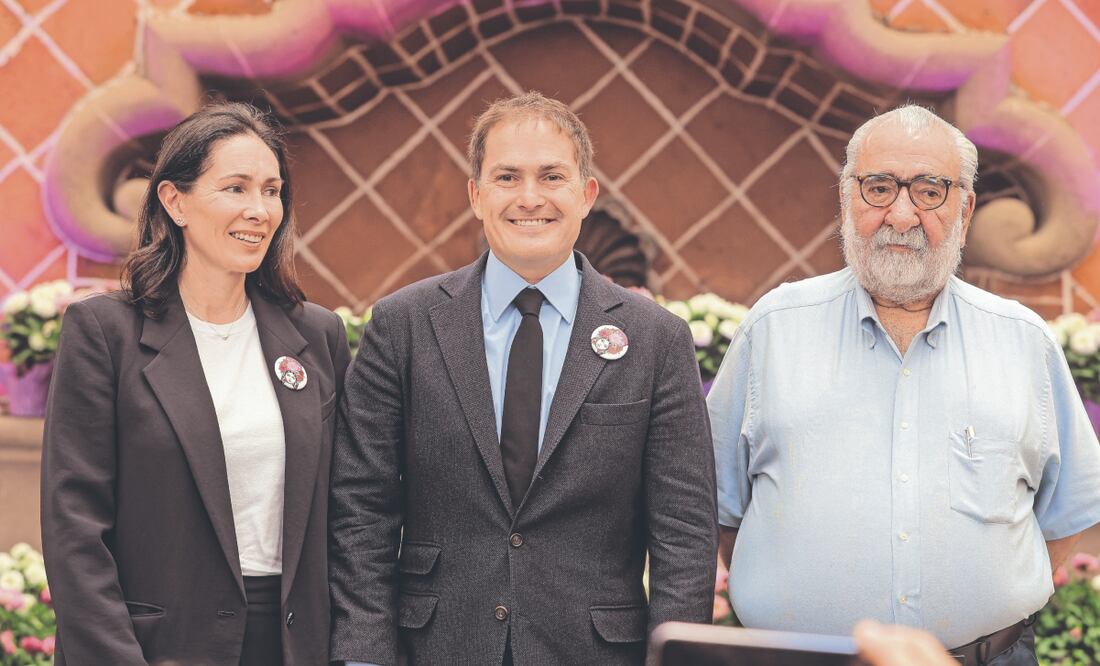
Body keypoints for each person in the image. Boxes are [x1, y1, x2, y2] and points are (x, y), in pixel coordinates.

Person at [329, 91, 717, 665]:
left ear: (586, 195)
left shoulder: (656, 339)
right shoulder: (403, 325)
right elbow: (361, 508)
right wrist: (364, 655)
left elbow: (684, 531)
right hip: (435, 647)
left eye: (551, 176)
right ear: (476, 195)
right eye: (507, 176)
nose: (529, 197)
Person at [707, 105, 1100, 665]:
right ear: (846, 200)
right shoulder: (774, 328)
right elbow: (722, 511)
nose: (901, 213)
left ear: (964, 210)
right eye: (879, 187)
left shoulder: (1022, 340)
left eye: (929, 190)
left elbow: (1063, 517)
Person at [41, 102, 351, 666]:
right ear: (174, 201)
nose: (259, 210)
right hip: (158, 649)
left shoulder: (318, 335)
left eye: (272, 190)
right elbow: (74, 530)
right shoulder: (103, 332)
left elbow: (349, 514)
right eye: (236, 188)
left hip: (292, 645)